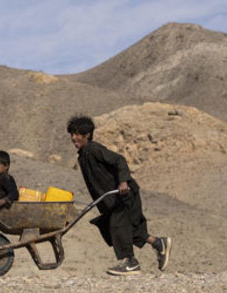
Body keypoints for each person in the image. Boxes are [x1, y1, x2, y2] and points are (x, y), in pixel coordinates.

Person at [67, 115, 172, 276]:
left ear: (87, 134)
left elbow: (119, 160)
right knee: (123, 228)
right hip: (111, 199)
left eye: (77, 134)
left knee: (117, 226)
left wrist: (123, 182)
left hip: (122, 195)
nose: (74, 138)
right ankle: (158, 243)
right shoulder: (83, 155)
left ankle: (130, 262)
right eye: (72, 134)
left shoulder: (94, 149)